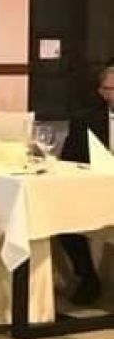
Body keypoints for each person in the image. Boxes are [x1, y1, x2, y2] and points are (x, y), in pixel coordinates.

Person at [55, 65, 114, 305]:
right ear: (102, 92)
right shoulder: (85, 120)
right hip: (94, 190)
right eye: (111, 89)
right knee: (60, 217)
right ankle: (87, 276)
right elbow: (68, 161)